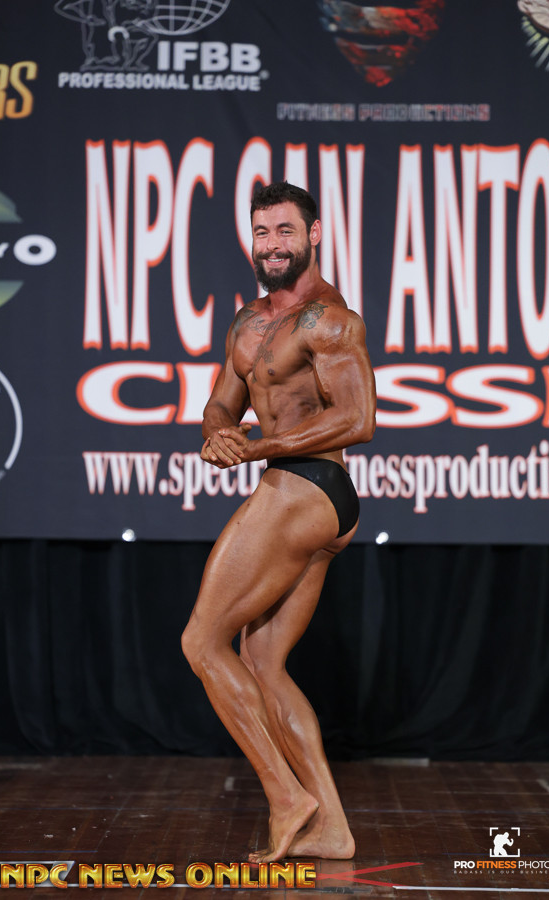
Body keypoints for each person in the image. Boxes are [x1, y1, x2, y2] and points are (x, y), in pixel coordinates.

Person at [181, 182, 376, 863]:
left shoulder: (330, 320)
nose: (272, 245)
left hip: (305, 485)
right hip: (314, 502)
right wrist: (217, 434)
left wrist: (258, 448)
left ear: (313, 235)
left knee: (201, 642)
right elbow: (222, 403)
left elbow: (358, 418)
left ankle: (286, 796)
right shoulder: (247, 323)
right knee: (263, 662)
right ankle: (332, 827)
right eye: (262, 232)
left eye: (286, 231)